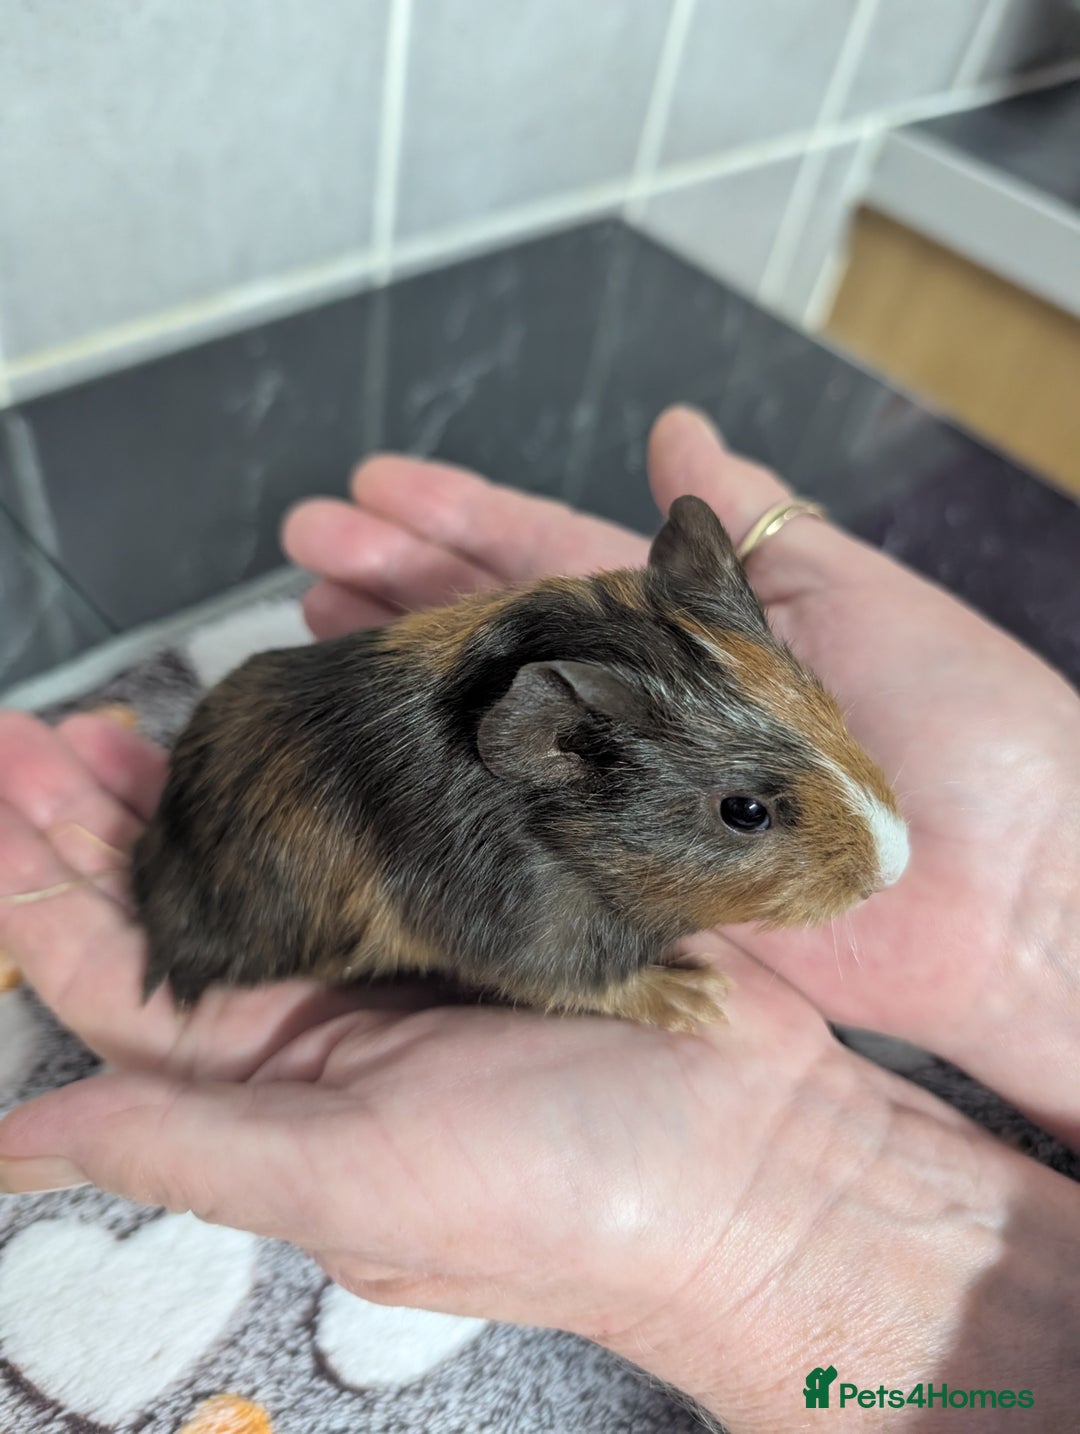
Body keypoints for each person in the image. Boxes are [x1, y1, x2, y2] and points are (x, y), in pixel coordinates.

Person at [0, 406, 1078, 1431]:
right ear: (567, 748)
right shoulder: (499, 866)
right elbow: (517, 936)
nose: (881, 856)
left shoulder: (564, 734)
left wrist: (1046, 902)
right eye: (748, 813)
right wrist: (617, 980)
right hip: (254, 897)